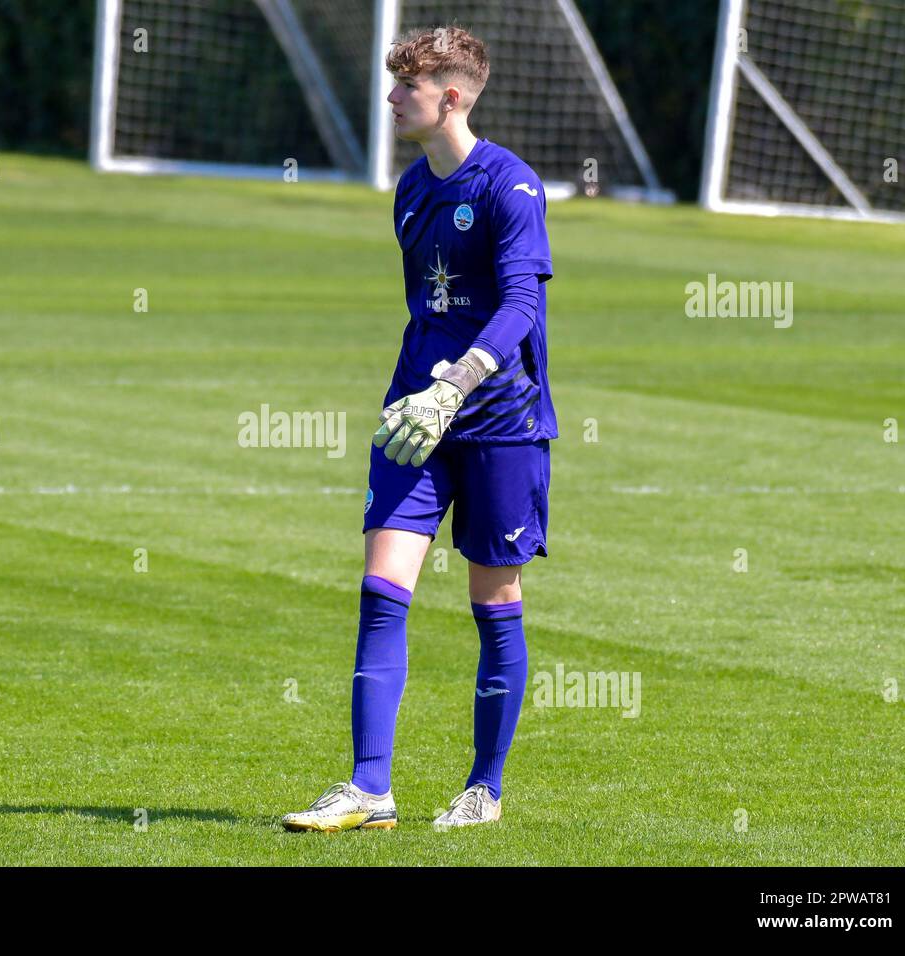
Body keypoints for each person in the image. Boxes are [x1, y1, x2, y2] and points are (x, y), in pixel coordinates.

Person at [281, 24, 556, 832]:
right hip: (414, 418)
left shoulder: (512, 187)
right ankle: (370, 788)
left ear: (453, 97)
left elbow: (521, 306)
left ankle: (485, 789)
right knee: (380, 591)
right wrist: (421, 396)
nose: (393, 96)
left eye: (408, 85)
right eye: (397, 81)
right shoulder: (410, 189)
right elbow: (425, 309)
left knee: (493, 598)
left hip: (500, 422)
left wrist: (460, 385)